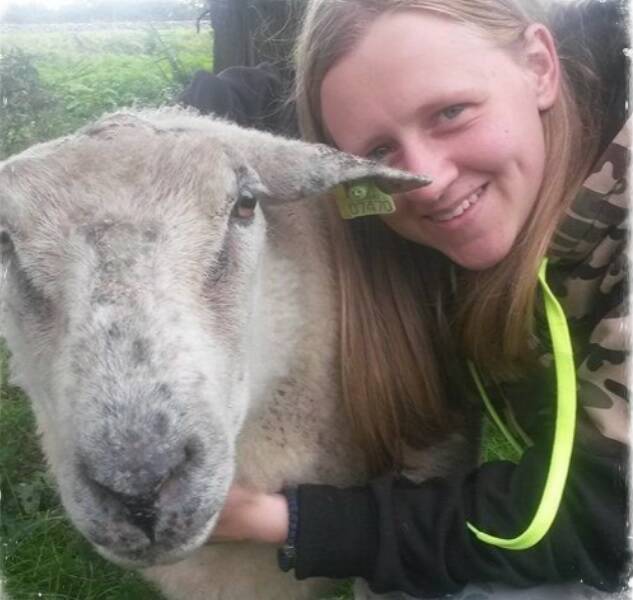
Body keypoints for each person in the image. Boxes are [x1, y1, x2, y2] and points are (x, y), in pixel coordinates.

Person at [183, 0, 630, 597]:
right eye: (377, 153)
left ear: (540, 66)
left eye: (451, 112)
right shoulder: (461, 229)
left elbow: (607, 519)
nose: (428, 181)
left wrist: (278, 520)